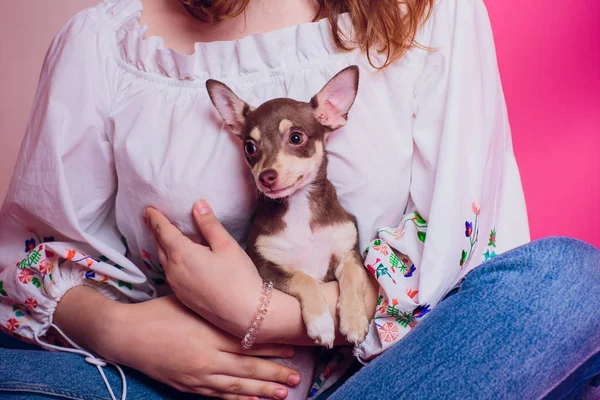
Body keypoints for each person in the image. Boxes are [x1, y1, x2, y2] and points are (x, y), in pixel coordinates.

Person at [0, 0, 599, 399]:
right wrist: (119, 332)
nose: (269, 170)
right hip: (171, 377)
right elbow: (30, 255)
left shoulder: (429, 13)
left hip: (380, 376)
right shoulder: (107, 42)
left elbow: (460, 252)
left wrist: (265, 315)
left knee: (570, 284)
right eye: (256, 150)